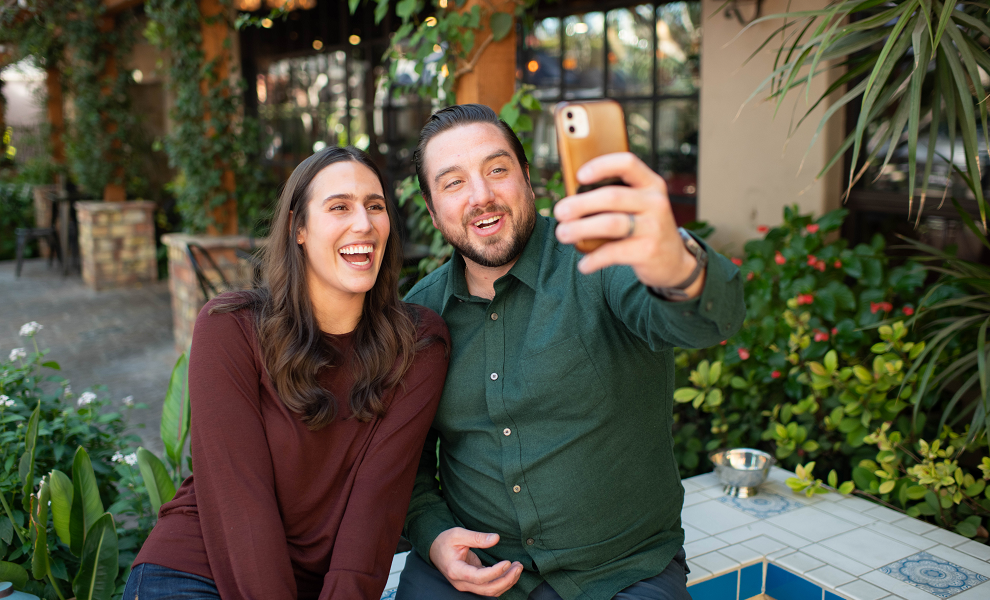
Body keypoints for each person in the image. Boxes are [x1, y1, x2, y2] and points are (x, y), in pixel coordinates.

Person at [395, 104, 745, 600]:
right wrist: (433, 536)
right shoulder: (418, 316)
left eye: (497, 170)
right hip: (475, 572)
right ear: (432, 211)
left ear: (529, 180)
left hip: (623, 572)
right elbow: (403, 466)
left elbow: (706, 320)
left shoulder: (604, 261)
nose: (481, 196)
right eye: (453, 183)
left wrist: (676, 264)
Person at [126, 146, 450, 600]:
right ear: (298, 227)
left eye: (375, 206)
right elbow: (241, 503)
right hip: (196, 572)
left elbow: (375, 508)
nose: (364, 223)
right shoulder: (231, 328)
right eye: (339, 206)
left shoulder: (416, 344)